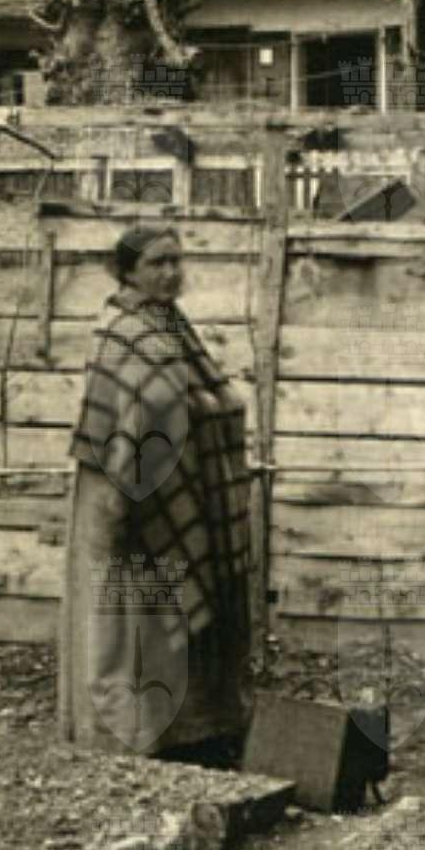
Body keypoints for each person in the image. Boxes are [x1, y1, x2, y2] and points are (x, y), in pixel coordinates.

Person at [58, 225, 253, 767]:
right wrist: (124, 506)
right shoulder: (123, 332)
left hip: (181, 492)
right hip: (124, 495)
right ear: (127, 272)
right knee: (131, 619)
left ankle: (197, 731)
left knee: (177, 615)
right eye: (156, 263)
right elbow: (135, 421)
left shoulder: (173, 327)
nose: (170, 273)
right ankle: (129, 736)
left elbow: (201, 406)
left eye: (176, 261)